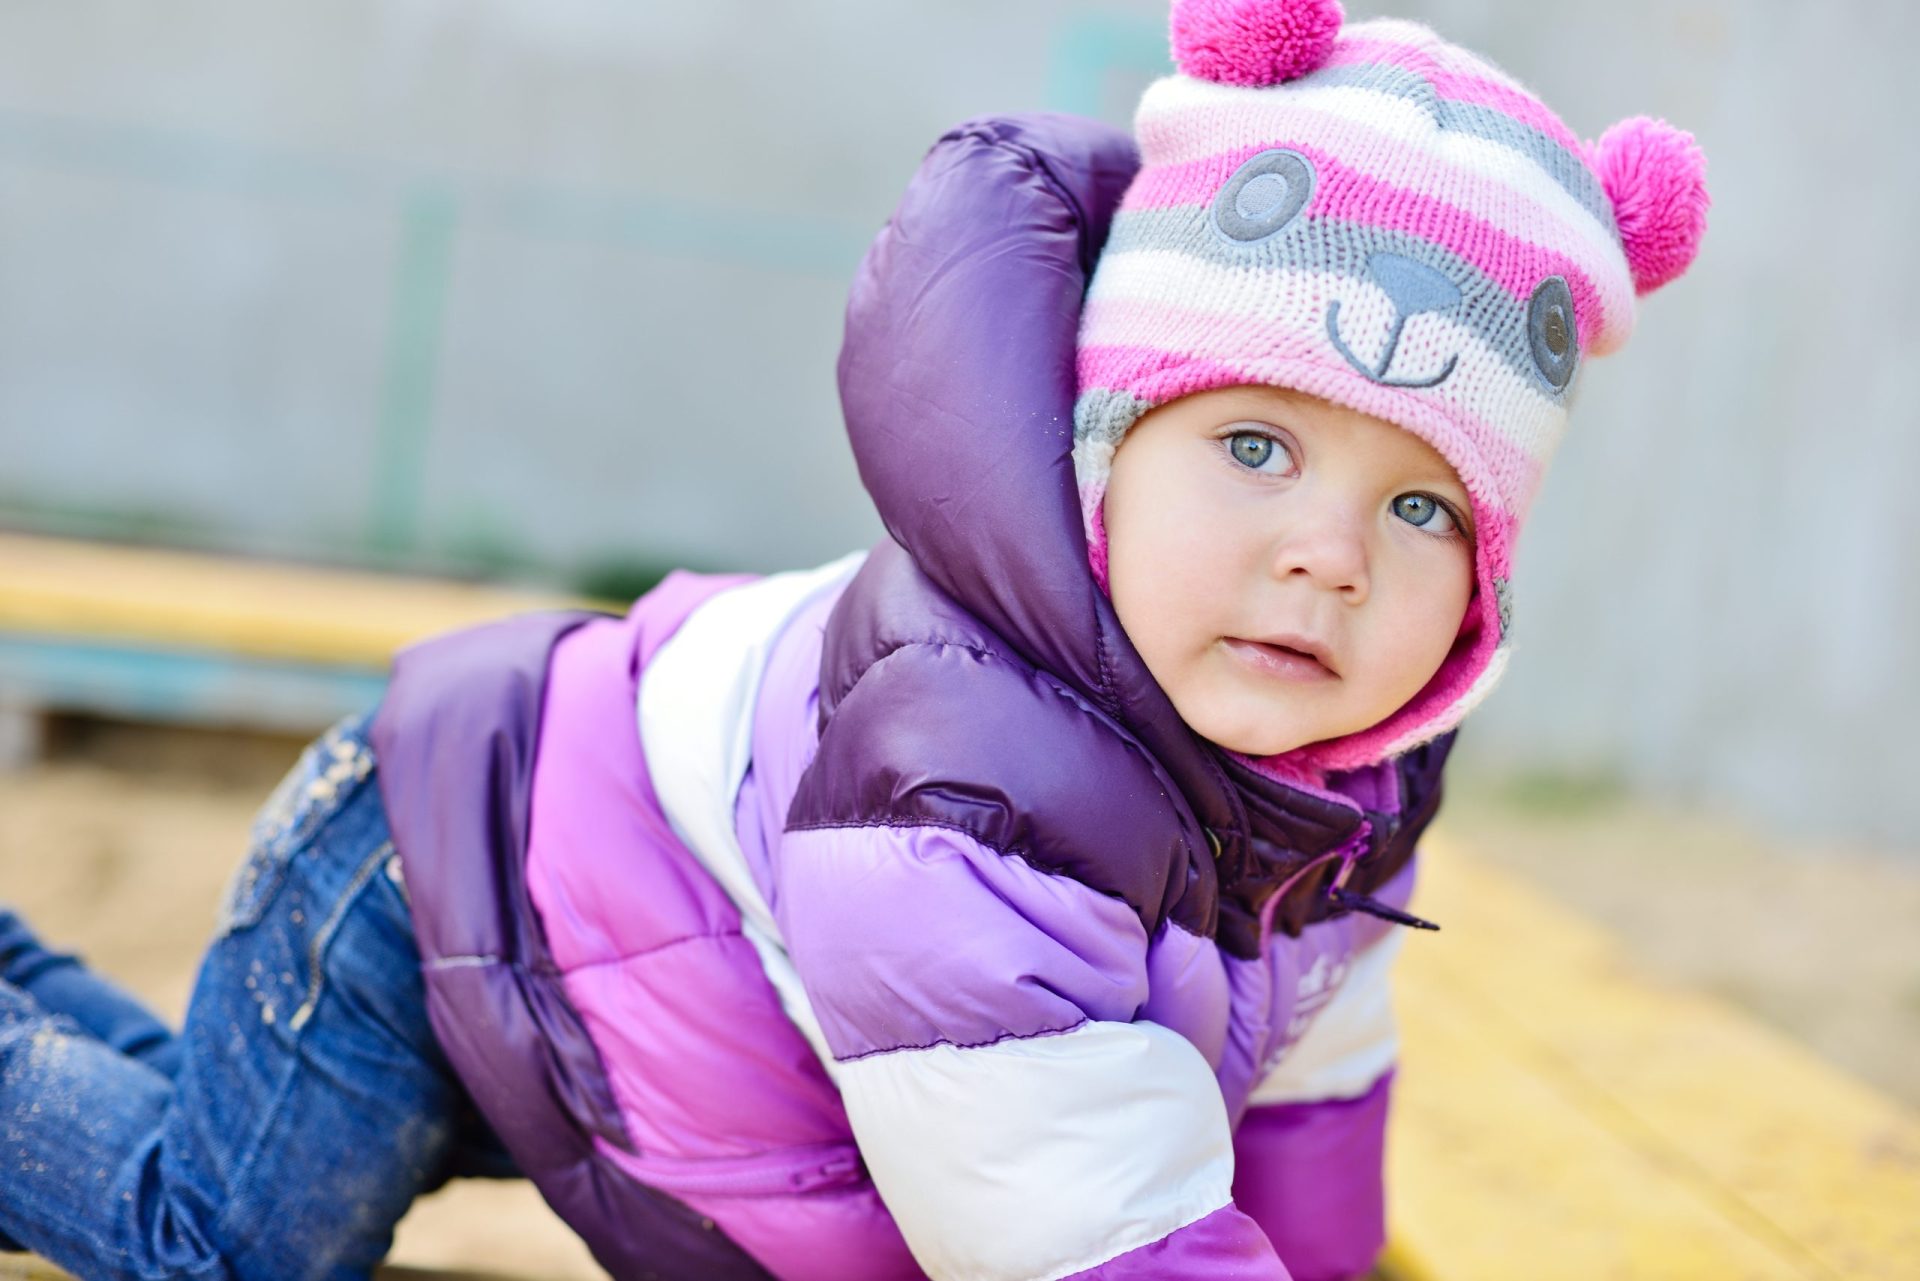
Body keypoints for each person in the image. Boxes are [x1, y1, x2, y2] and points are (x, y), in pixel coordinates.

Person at [0, 1, 1708, 1277]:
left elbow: (1316, 1067)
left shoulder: (1342, 784)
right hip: (436, 876)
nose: (1327, 555)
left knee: (223, 1134)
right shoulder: (965, 783)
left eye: (1423, 511)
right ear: (1107, 448)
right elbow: (1077, 1228)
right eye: (1253, 449)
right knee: (211, 1243)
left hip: (618, 966)